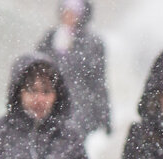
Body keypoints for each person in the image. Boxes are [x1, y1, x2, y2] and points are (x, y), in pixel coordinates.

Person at [37, 0, 111, 137]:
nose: (69, 15)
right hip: (51, 105)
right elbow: (37, 70)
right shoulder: (50, 38)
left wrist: (104, 116)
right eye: (66, 11)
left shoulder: (93, 43)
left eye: (74, 12)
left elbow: (98, 81)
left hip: (80, 108)